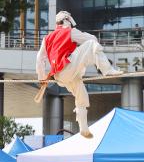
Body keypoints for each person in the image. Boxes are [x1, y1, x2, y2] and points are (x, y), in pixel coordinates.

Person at [36, 10, 123, 138]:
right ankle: (107, 70)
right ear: (67, 21)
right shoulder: (69, 32)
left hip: (60, 76)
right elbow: (92, 39)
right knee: (92, 44)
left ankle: (83, 128)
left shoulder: (47, 38)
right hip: (68, 68)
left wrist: (41, 77)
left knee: (81, 94)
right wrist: (77, 42)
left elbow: (39, 58)